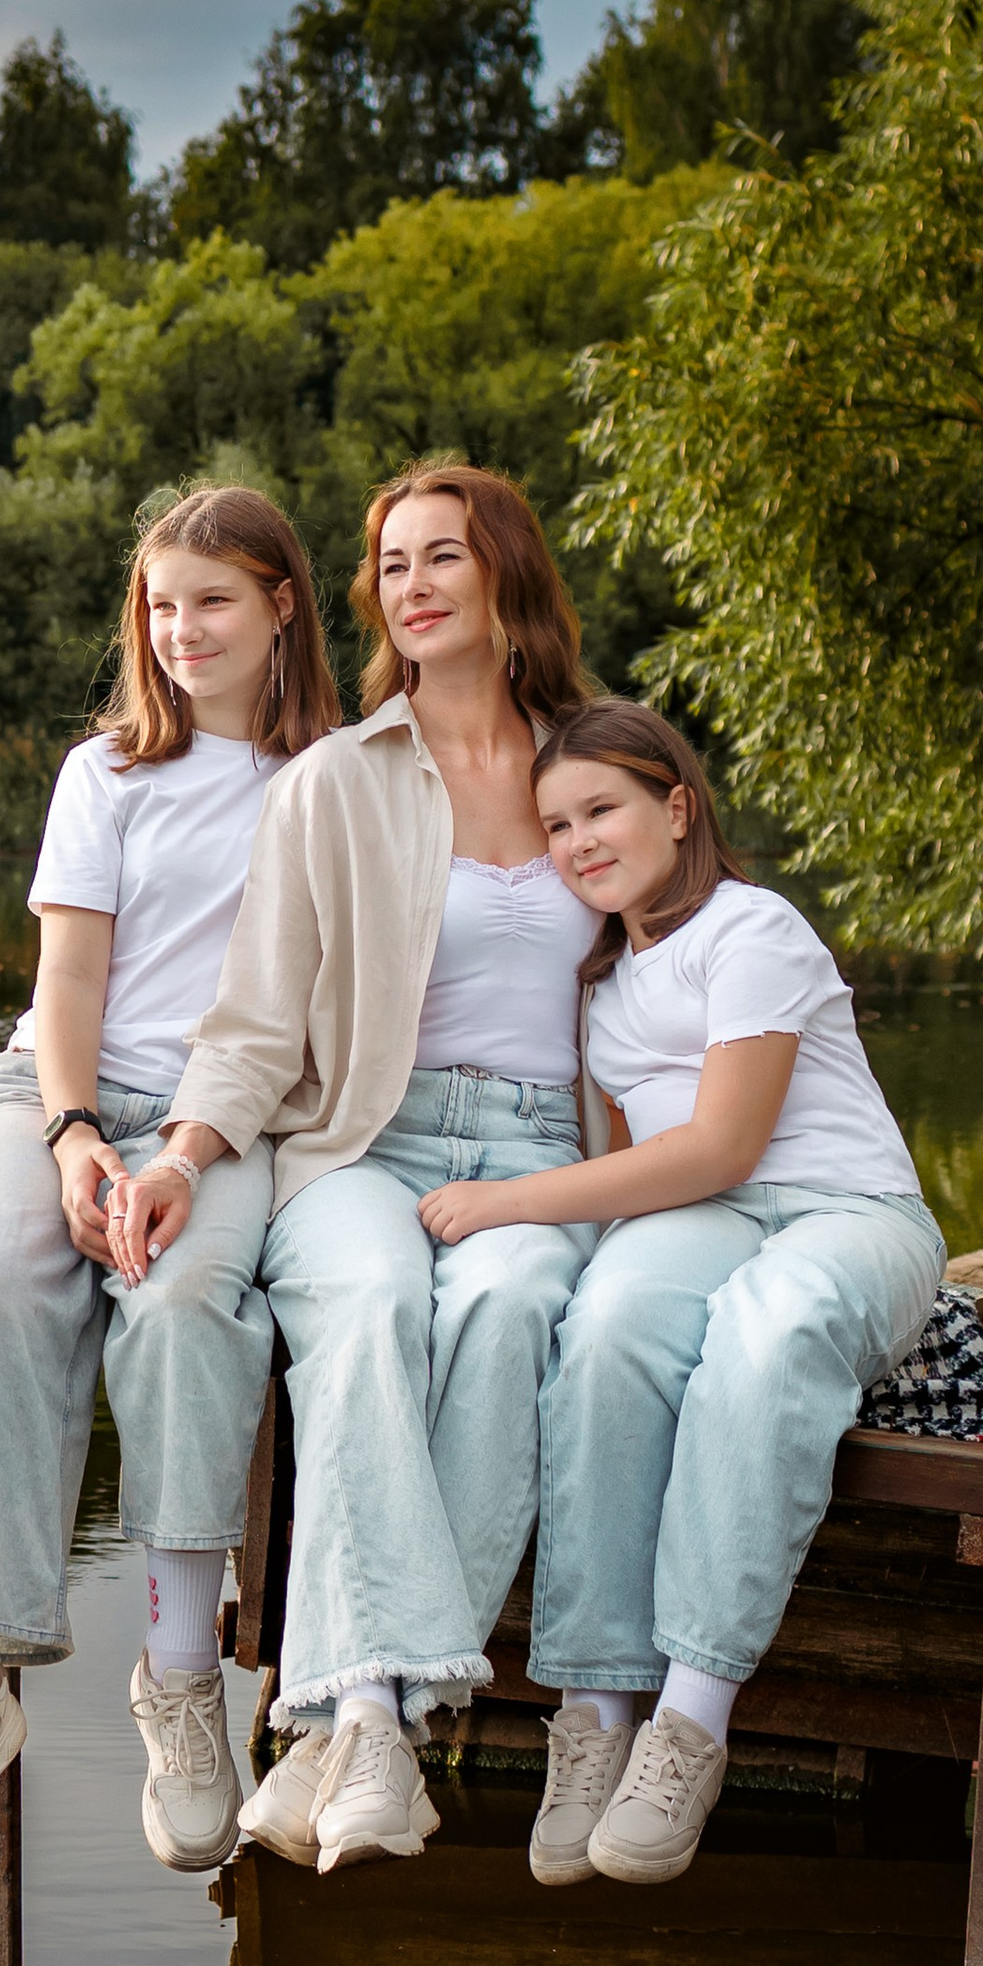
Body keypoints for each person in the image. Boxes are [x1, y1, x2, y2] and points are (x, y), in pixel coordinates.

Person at [0, 487, 340, 1878]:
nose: (181, 628)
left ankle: (178, 1676)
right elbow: (67, 976)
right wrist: (75, 1136)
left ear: (280, 607)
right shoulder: (107, 774)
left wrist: (186, 1150)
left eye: (211, 599)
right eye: (159, 603)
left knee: (192, 1302)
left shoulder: (341, 780)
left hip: (226, 1124)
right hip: (54, 1092)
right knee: (2, 1279)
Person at [147, 458, 601, 1876]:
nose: (411, 586)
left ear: (505, 576)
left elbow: (683, 973)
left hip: (540, 1153)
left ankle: (351, 1722)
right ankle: (382, 1729)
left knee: (515, 1309)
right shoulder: (337, 783)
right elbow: (255, 1018)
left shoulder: (595, 765)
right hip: (363, 1140)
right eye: (392, 564)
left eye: (441, 557)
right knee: (369, 1309)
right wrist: (185, 1151)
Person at [422, 702, 947, 1888]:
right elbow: (631, 1175)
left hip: (838, 1212)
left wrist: (509, 1205)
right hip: (696, 1224)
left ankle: (691, 1725)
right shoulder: (601, 985)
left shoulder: (752, 930)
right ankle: (597, 1713)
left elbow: (720, 1147)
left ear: (676, 804)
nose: (576, 842)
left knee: (764, 1340)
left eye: (600, 809)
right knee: (604, 1328)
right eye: (555, 825)